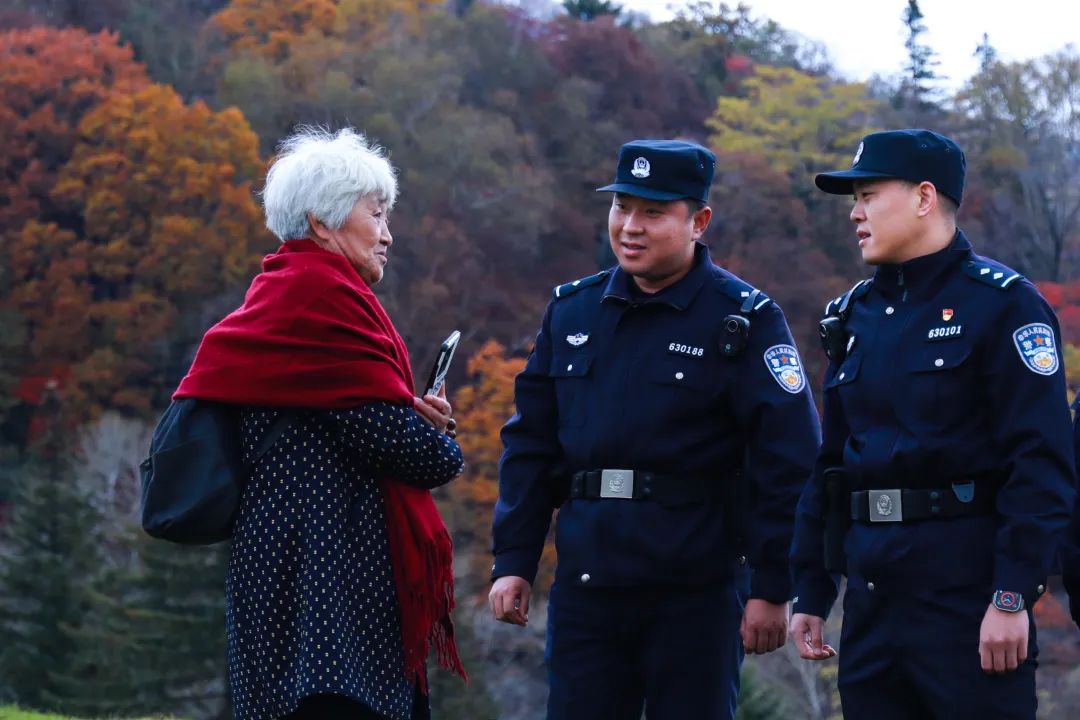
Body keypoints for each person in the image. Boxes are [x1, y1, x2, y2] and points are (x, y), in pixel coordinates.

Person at [488, 139, 821, 720]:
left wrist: (772, 585)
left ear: (699, 221)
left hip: (694, 591)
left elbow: (789, 460)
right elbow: (531, 445)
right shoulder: (573, 311)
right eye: (622, 207)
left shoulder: (743, 319)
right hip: (588, 586)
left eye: (653, 212)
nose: (630, 227)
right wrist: (514, 558)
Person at [172, 127, 466, 720]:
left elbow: (345, 411)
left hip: (276, 567)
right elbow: (399, 445)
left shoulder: (277, 294)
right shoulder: (323, 301)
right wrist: (438, 440)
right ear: (324, 222)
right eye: (377, 215)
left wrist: (405, 412)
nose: (388, 234)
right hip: (328, 585)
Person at [789, 129, 1076, 719]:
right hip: (872, 606)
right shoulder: (852, 316)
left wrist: (1012, 594)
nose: (856, 213)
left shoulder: (1004, 305)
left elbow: (1043, 463)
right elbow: (833, 466)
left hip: (968, 607)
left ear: (924, 198)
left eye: (869, 195)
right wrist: (813, 588)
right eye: (854, 199)